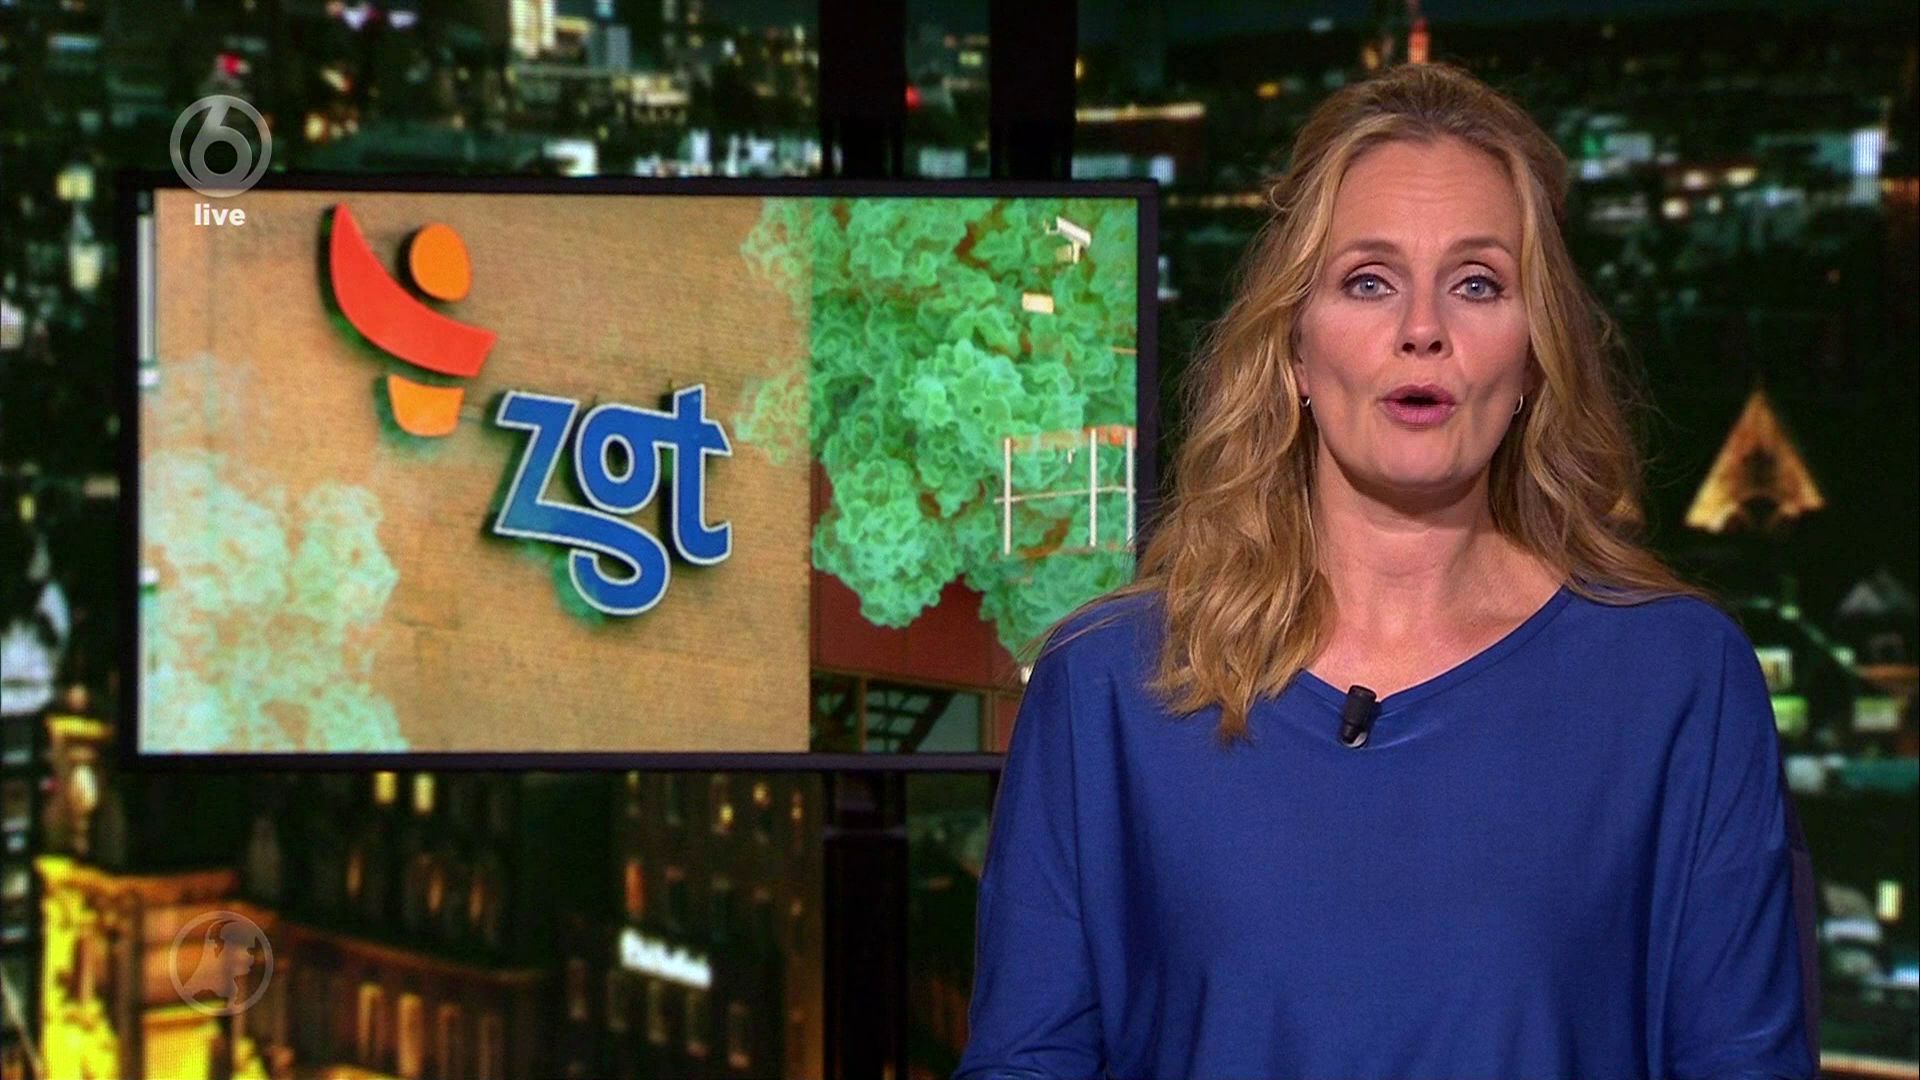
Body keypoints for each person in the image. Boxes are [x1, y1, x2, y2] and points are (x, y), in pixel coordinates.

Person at [954, 63, 1817, 1079]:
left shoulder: (1678, 681)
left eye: (1478, 283)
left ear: (1535, 354)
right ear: (1293, 347)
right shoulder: (1111, 685)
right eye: (1369, 281)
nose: (1422, 330)